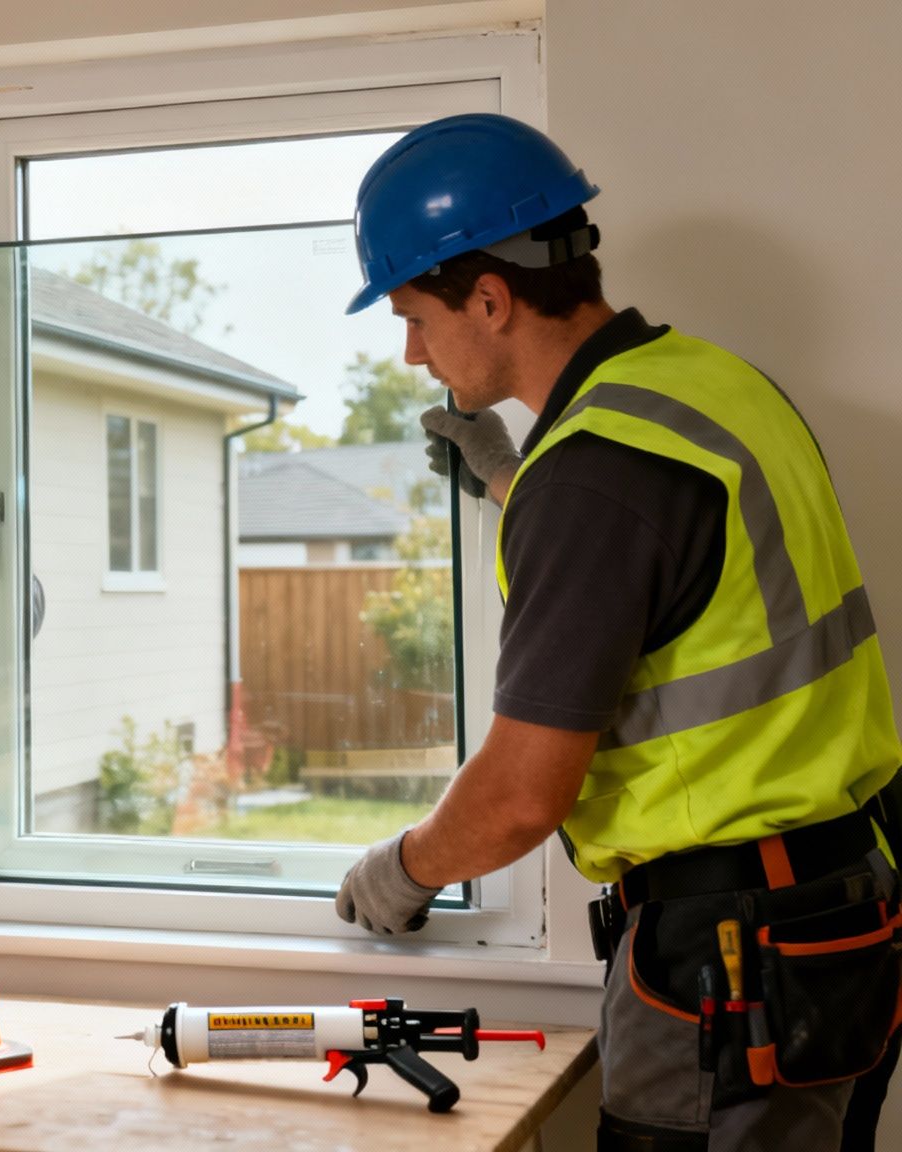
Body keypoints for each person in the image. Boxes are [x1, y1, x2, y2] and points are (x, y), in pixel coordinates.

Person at [330, 113, 902, 1150]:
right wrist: (511, 478)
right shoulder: (718, 387)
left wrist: (400, 872)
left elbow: (515, 800)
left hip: (729, 958)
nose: (410, 352)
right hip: (839, 916)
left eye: (413, 316)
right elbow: (682, 583)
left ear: (491, 298)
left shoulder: (592, 475)